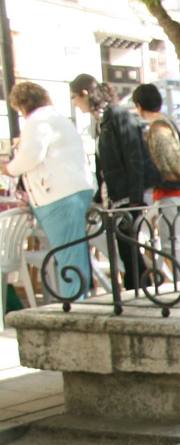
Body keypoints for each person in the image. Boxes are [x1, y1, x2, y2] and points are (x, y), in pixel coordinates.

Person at [3, 81, 96, 300]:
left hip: (58, 196)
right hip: (74, 191)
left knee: (68, 255)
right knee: (73, 253)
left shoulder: (38, 122)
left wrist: (9, 168)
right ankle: (77, 301)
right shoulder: (56, 119)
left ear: (22, 105)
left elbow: (32, 156)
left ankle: (74, 306)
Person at [70, 74, 157, 290]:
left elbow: (133, 155)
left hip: (128, 195)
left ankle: (139, 288)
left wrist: (136, 197)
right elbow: (104, 166)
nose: (74, 103)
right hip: (117, 196)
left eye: (74, 97)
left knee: (128, 245)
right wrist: (100, 197)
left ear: (85, 94)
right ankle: (139, 287)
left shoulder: (117, 116)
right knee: (126, 246)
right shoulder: (102, 121)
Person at [131, 83, 180, 285]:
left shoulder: (158, 129)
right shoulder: (169, 124)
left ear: (139, 105)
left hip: (173, 191)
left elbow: (170, 163)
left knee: (174, 243)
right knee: (179, 242)